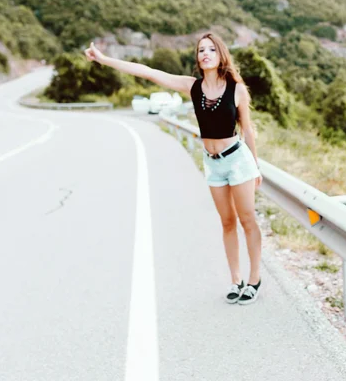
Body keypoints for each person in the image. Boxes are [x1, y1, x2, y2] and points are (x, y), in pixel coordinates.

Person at [85, 33, 264, 305]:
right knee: (227, 222)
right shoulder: (192, 86)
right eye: (201, 50)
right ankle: (235, 279)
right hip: (213, 164)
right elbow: (148, 72)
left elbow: (247, 129)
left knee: (247, 220)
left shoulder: (236, 89)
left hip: (238, 161)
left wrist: (256, 166)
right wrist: (104, 59)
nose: (205, 53)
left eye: (211, 49)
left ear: (221, 55)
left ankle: (254, 279)